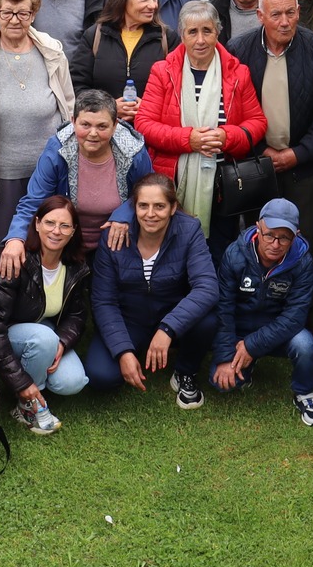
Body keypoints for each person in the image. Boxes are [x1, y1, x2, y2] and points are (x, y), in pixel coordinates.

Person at [85, 173, 217, 405]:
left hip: (172, 317)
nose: (151, 214)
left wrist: (168, 328)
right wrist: (123, 351)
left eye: (159, 206)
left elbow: (207, 288)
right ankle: (135, 351)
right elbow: (103, 301)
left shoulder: (189, 230)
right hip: (130, 320)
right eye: (143, 206)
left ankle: (185, 371)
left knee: (208, 320)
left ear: (173, 207)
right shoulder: (113, 235)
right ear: (133, 207)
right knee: (101, 376)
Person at [229, 0, 313, 246]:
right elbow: (233, 112)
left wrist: (298, 154)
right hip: (255, 165)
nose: (284, 22)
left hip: (304, 168)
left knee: (303, 242)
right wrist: (260, 150)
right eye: (276, 15)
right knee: (258, 240)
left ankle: (303, 288)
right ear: (260, 17)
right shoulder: (239, 50)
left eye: (290, 13)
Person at [136, 1, 267, 229]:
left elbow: (257, 123)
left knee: (220, 249)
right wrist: (189, 140)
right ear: (182, 35)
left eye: (207, 31)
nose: (200, 40)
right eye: (192, 32)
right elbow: (144, 124)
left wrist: (227, 137)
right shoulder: (162, 71)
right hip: (172, 183)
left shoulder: (238, 73)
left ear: (218, 31)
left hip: (224, 184)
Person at [0, 0, 74, 243]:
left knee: (46, 241)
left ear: (33, 13)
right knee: (2, 246)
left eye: (23, 13)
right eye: (6, 12)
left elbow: (68, 104)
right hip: (3, 173)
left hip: (47, 169)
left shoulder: (51, 50)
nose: (14, 20)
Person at [0, 90, 153, 270]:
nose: (93, 133)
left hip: (116, 242)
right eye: (85, 125)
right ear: (73, 121)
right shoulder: (57, 151)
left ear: (115, 125)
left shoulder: (134, 152)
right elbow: (34, 200)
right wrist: (16, 238)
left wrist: (124, 214)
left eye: (102, 126)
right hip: (65, 240)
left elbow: (149, 195)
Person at [212, 199, 313, 426]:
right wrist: (224, 357)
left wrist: (253, 344)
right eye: (269, 235)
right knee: (223, 385)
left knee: (305, 344)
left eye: (284, 237)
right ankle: (246, 365)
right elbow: (223, 307)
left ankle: (305, 393)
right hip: (240, 329)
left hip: (279, 331)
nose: (275, 244)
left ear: (296, 235)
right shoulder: (234, 254)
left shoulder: (302, 262)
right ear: (257, 228)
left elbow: (295, 316)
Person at [0, 194, 93, 434]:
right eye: (49, 223)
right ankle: (26, 403)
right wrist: (23, 380)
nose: (56, 231)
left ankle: (31, 379)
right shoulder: (15, 258)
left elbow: (77, 315)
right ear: (36, 224)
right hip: (9, 331)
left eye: (64, 225)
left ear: (73, 231)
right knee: (44, 338)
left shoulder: (76, 265)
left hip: (45, 332)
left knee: (73, 382)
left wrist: (63, 343)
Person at [69, 0, 171, 112]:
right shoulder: (95, 36)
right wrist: (109, 107)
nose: (153, 5)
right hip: (104, 129)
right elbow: (78, 86)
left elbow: (176, 91)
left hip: (151, 129)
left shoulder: (167, 39)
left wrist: (148, 107)